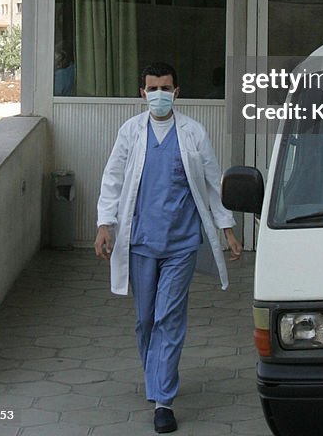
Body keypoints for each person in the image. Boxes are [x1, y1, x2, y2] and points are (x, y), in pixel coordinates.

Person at [94, 61, 242, 434]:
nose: (159, 95)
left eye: (165, 88)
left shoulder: (193, 133)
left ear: (177, 92)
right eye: (152, 89)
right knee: (146, 320)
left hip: (181, 243)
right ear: (142, 93)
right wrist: (104, 224)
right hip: (141, 242)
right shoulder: (131, 132)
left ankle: (163, 401)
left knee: (169, 318)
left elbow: (212, 181)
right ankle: (155, 379)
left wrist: (227, 228)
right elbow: (112, 179)